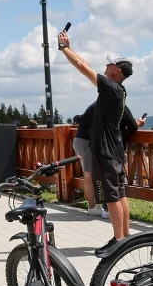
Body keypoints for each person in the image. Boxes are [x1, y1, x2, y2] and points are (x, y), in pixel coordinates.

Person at [57, 30, 144, 254]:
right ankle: (125, 239)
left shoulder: (111, 88)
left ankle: (118, 241)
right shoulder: (119, 92)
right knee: (120, 194)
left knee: (113, 197)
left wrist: (65, 48)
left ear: (117, 71)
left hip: (105, 151)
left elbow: (83, 66)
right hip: (115, 150)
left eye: (109, 65)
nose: (105, 68)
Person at [72, 104, 106, 218]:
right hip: (85, 142)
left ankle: (95, 206)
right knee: (89, 175)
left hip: (84, 141)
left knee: (91, 174)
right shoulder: (99, 106)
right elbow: (84, 119)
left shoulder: (97, 105)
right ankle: (92, 207)